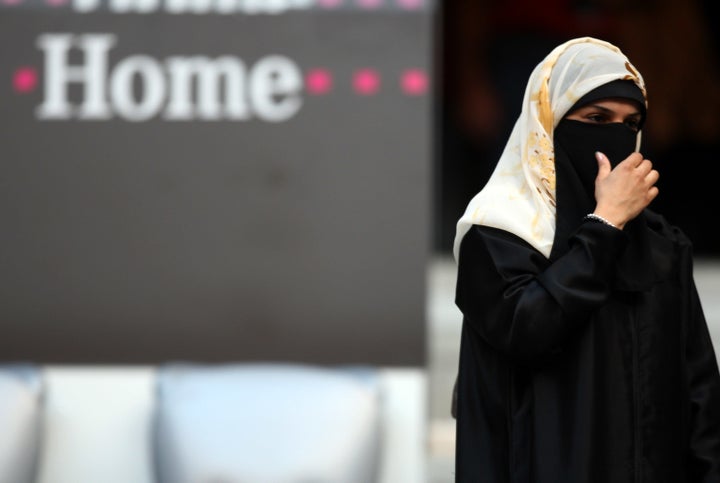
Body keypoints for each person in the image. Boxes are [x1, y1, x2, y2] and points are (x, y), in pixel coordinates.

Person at [452, 37, 720, 482]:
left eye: (630, 122)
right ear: (548, 123)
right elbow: (526, 329)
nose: (615, 136)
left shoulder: (661, 244)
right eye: (596, 119)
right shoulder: (500, 233)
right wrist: (604, 226)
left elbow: (700, 397)